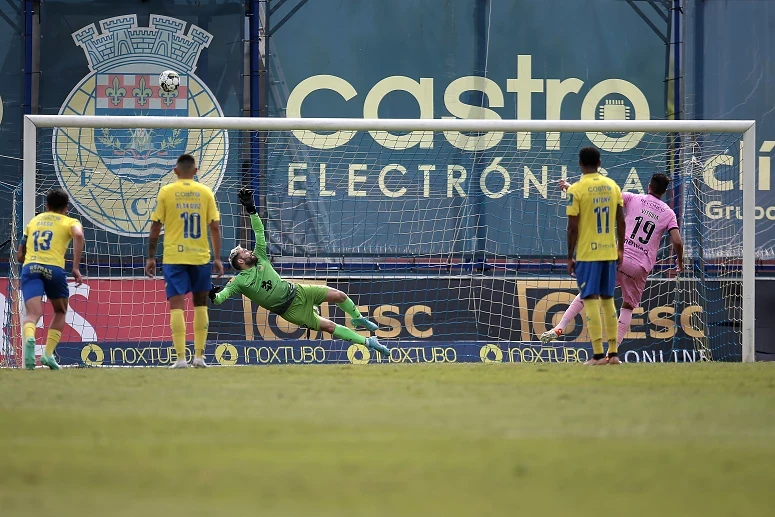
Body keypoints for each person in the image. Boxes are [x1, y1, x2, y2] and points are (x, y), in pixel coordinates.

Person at [209, 188, 390, 357]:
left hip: (298, 291)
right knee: (328, 326)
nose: (249, 251)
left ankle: (358, 319)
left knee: (339, 295)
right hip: (290, 311)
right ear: (240, 261)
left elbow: (259, 231)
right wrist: (212, 292)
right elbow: (220, 298)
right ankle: (368, 342)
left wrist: (251, 209)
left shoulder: (261, 256)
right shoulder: (239, 281)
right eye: (244, 252)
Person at [542, 173, 684, 363]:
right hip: (639, 268)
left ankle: (560, 326)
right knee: (627, 307)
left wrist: (569, 187)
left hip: (618, 257)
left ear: (649, 185)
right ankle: (612, 354)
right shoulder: (668, 213)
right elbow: (677, 241)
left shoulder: (633, 198)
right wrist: (680, 263)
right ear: (664, 191)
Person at [145, 154, 224, 369]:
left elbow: (155, 227)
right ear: (196, 171)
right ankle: (199, 357)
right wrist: (217, 257)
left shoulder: (166, 192)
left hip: (174, 257)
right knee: (200, 305)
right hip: (199, 257)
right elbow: (214, 226)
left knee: (176, 307)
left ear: (175, 171)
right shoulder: (205, 192)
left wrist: (151, 256)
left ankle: (180, 358)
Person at [561, 147, 625, 366]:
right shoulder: (612, 186)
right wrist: (621, 249)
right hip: (609, 252)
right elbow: (621, 220)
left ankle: (598, 355)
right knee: (608, 301)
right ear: (600, 162)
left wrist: (570, 256)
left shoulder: (576, 190)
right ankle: (613, 353)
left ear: (580, 164)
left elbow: (572, 228)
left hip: (588, 254)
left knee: (590, 300)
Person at [17, 188, 84, 370]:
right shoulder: (70, 221)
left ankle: (30, 338)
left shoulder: (34, 221)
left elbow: (20, 255)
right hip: (53, 269)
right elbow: (78, 234)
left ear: (46, 206)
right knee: (60, 311)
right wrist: (75, 267)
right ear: (66, 207)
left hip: (31, 268)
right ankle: (47, 354)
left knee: (32, 314)